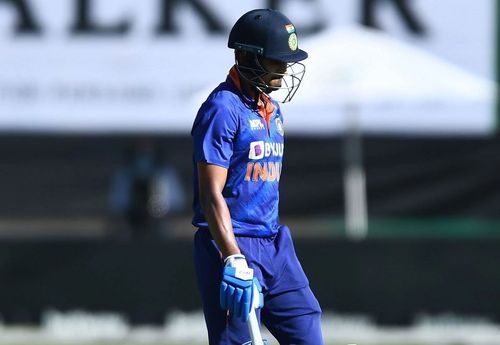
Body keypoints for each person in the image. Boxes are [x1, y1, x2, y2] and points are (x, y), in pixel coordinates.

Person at [191, 8, 323, 345]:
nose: (285, 68)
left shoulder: (273, 110)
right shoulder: (222, 109)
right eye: (277, 60)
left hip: (275, 245)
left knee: (308, 334)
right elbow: (211, 194)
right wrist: (232, 256)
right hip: (231, 246)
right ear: (248, 57)